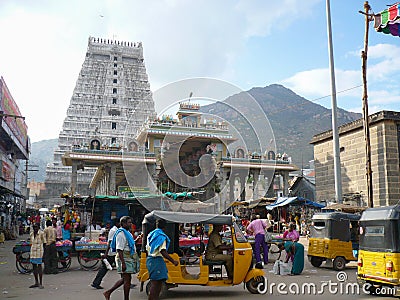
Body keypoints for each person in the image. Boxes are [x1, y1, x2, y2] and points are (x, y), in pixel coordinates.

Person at [103, 216, 136, 300]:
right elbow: (119, 249)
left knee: (126, 279)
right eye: (129, 222)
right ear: (123, 223)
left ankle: (109, 292)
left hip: (127, 257)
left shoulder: (127, 233)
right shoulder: (121, 234)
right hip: (124, 258)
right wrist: (123, 263)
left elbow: (127, 244)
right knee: (127, 279)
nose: (130, 224)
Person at [146, 219, 179, 300]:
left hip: (151, 259)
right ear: (165, 227)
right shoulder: (161, 237)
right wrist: (173, 261)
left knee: (158, 284)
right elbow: (163, 251)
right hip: (156, 260)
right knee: (155, 284)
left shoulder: (151, 234)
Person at [91, 220, 120, 289]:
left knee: (120, 267)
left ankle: (127, 281)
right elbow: (110, 242)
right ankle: (96, 282)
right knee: (104, 268)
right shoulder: (113, 230)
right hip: (111, 253)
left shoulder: (117, 230)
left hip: (114, 252)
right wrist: (106, 253)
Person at [29, 224, 45, 288]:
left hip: (39, 252)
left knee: (39, 267)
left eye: (36, 227)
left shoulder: (41, 233)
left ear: (38, 227)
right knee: (34, 267)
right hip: (33, 252)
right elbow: (31, 243)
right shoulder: (31, 234)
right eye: (34, 227)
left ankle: (40, 283)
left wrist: (44, 254)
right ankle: (36, 282)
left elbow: (44, 243)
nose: (35, 228)